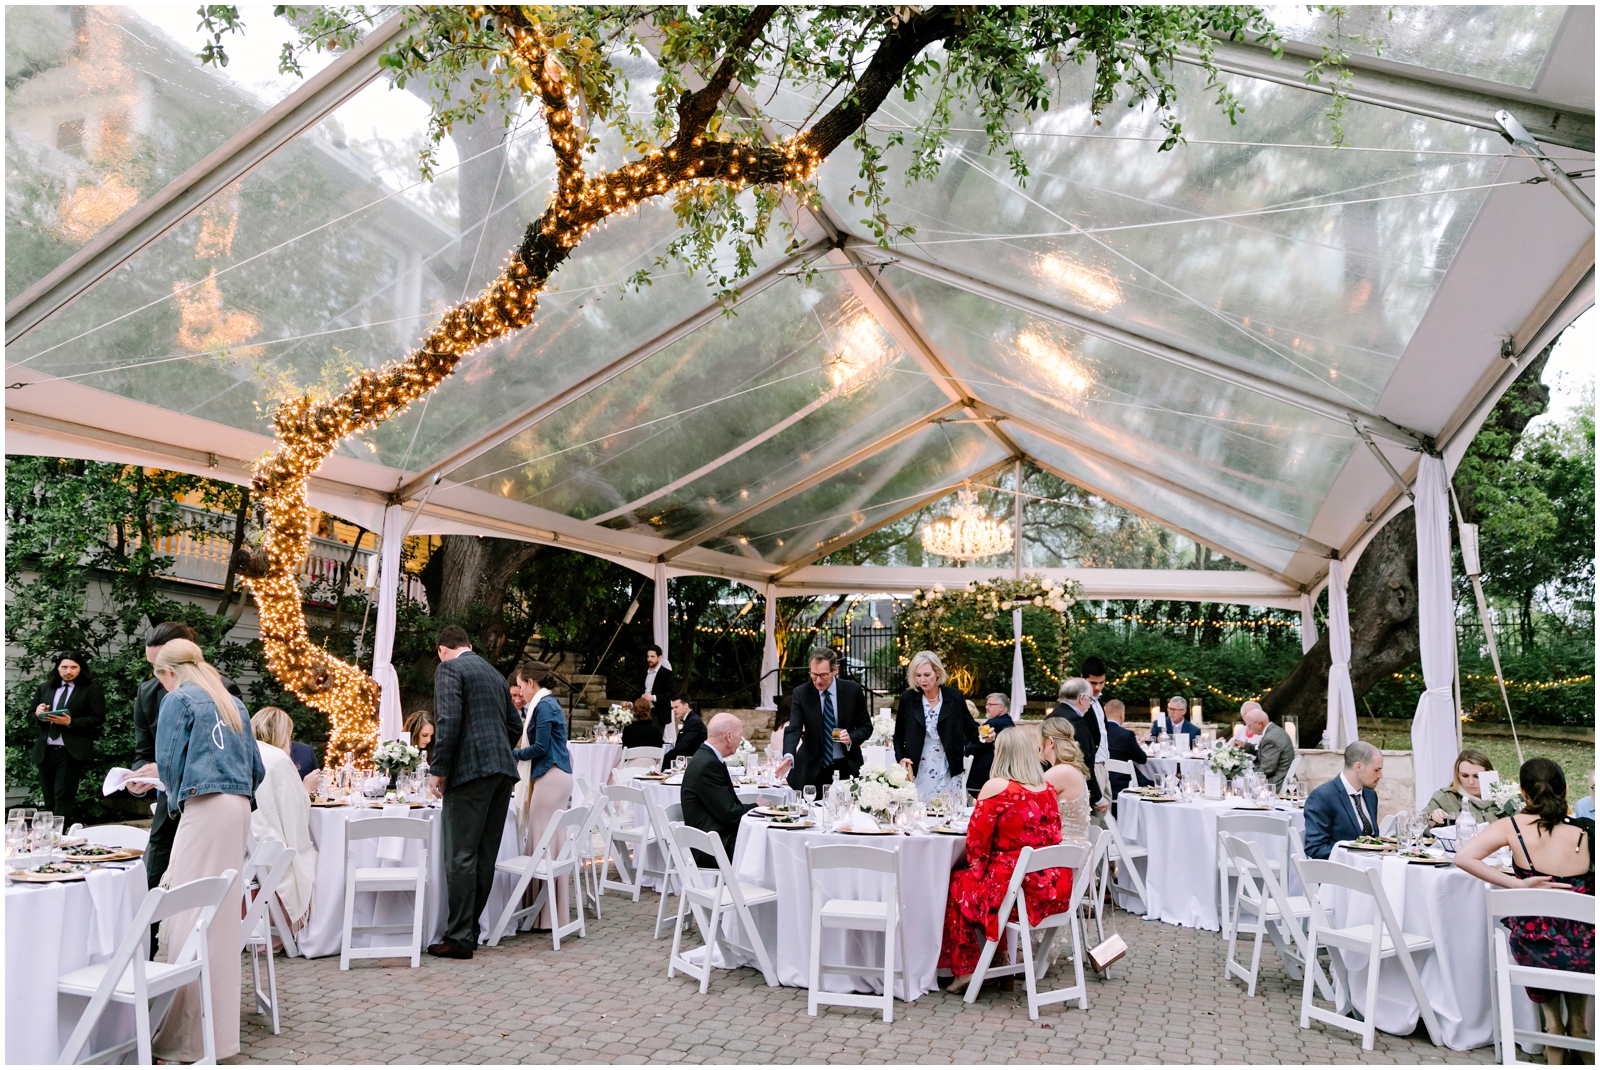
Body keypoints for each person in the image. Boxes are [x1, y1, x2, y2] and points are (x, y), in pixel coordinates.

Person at [149, 639, 264, 1063]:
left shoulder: (178, 700)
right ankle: (217, 1037)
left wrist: (178, 799)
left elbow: (169, 763)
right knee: (218, 923)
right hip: (237, 809)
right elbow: (258, 769)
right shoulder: (232, 702)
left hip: (206, 805)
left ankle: (184, 1041)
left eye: (159, 677)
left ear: (168, 672)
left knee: (188, 918)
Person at [1455, 759, 1593, 1058]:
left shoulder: (1511, 826)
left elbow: (1463, 858)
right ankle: (1580, 1029)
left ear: (1523, 792)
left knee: (1542, 945)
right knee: (1579, 942)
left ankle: (1553, 1027)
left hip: (1535, 948)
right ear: (1566, 789)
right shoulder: (1588, 831)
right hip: (1585, 949)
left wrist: (1516, 885)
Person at [939, 726, 1073, 993]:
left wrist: (975, 869)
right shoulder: (1046, 788)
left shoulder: (997, 786)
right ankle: (999, 960)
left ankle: (968, 968)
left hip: (1019, 891)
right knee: (984, 884)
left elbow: (976, 845)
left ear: (1001, 753)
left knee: (956, 882)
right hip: (1053, 887)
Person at [427, 625, 522, 959]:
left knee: (461, 855)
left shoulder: (449, 668)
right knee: (484, 855)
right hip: (502, 773)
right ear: (468, 645)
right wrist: (496, 750)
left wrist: (438, 768)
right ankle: (470, 931)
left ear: (442, 649)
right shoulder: (495, 674)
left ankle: (460, 937)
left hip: (469, 773)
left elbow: (448, 720)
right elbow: (516, 725)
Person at [129, 622, 244, 892]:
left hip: (209, 797)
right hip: (168, 796)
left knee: (201, 875)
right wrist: (138, 775)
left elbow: (228, 754)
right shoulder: (147, 694)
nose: (159, 675)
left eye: (164, 668)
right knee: (158, 859)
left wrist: (168, 767)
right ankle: (152, 930)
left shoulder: (224, 692)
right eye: (153, 667)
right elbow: (144, 751)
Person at [508, 661, 572, 928]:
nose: (520, 692)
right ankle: (543, 913)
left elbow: (540, 747)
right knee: (547, 840)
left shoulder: (544, 706)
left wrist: (511, 754)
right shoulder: (547, 704)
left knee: (541, 840)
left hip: (551, 775)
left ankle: (541, 915)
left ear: (531, 683)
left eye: (522, 685)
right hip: (554, 775)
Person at [682, 712, 790, 865]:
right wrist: (757, 806)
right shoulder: (708, 764)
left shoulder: (705, 756)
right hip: (711, 847)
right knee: (774, 846)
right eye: (740, 735)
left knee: (767, 840)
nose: (741, 739)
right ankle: (762, 888)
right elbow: (730, 814)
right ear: (729, 736)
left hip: (712, 839)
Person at [248, 707, 318, 943]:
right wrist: (306, 790)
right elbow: (294, 812)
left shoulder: (245, 752)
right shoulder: (277, 759)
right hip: (270, 850)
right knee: (324, 859)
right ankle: (313, 935)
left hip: (246, 846)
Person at [29, 650, 106, 827]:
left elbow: (98, 718)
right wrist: (38, 713)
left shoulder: (91, 689)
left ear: (81, 669)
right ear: (57, 668)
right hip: (46, 750)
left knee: (62, 798)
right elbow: (30, 717)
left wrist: (70, 722)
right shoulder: (45, 687)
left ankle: (60, 837)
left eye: (73, 667)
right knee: (48, 798)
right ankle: (47, 838)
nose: (68, 671)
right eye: (64, 667)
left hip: (71, 751)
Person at [894, 651, 980, 804]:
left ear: (938, 673)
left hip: (948, 763)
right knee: (920, 807)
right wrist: (901, 758)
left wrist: (985, 737)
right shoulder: (908, 698)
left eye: (927, 675)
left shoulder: (954, 697)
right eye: (918, 675)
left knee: (947, 809)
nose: (922, 680)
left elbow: (970, 728)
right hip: (918, 764)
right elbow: (899, 734)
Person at [784, 648, 870, 793]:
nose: (818, 680)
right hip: (811, 768)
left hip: (845, 766)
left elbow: (866, 727)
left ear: (835, 669)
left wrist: (850, 738)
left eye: (823, 675)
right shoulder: (801, 693)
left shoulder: (852, 691)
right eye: (814, 674)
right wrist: (788, 754)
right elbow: (794, 728)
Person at [1303, 741, 1384, 859]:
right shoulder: (1323, 796)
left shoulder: (1370, 795)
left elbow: (1372, 838)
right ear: (1358, 767)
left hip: (1372, 867)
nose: (1380, 775)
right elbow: (1315, 848)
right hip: (1341, 871)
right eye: (1376, 770)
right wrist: (1355, 855)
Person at [1047, 678, 1106, 814]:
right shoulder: (1077, 722)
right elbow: (1085, 762)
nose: (1090, 705)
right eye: (1090, 699)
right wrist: (1097, 798)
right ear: (1081, 698)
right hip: (1072, 789)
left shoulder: (1051, 717)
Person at [1036, 720, 1092, 844]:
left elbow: (1025, 799)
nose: (1037, 745)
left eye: (1039, 740)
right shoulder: (1070, 769)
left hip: (1063, 852)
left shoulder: (1062, 771)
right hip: (1073, 849)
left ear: (1050, 742)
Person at [1425, 748, 1500, 827]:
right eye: (1465, 776)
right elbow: (1417, 826)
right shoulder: (1444, 798)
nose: (1471, 782)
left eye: (1476, 776)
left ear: (1489, 774)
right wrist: (1432, 819)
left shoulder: (1503, 799)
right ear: (1457, 775)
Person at [965, 693, 1015, 795]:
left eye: (990, 704)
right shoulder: (1008, 721)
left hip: (982, 776)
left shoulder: (991, 724)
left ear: (1001, 707)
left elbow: (972, 747)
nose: (986, 707)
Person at [1101, 699, 1152, 797]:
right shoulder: (1126, 735)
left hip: (1101, 785)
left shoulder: (1096, 733)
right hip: (1123, 786)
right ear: (1122, 715)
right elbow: (1142, 759)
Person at [1242, 702, 1295, 790]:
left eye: (1249, 725)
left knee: (1238, 785)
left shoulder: (1271, 738)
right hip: (1278, 778)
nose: (1249, 728)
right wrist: (1245, 746)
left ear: (1259, 723)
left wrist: (1246, 775)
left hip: (1275, 783)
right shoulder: (1275, 731)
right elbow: (1263, 751)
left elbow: (1266, 769)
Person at [663, 697, 707, 767]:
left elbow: (683, 745)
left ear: (686, 705)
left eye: (676, 707)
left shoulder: (694, 721)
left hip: (693, 763)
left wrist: (664, 759)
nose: (674, 710)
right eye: (673, 708)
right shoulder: (690, 720)